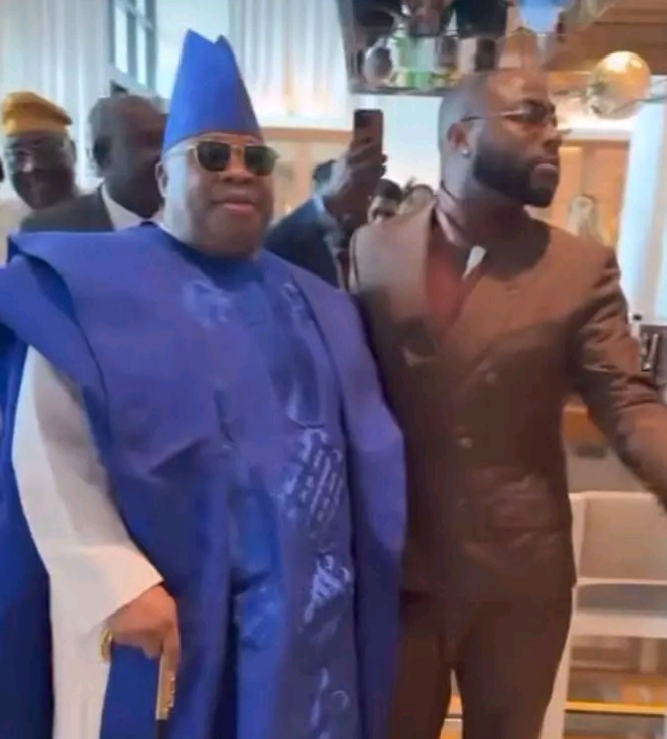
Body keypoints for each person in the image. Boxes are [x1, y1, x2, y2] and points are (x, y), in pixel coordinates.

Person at [0, 30, 405, 739]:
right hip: (163, 617)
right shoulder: (92, 287)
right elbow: (47, 451)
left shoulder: (316, 302)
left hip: (302, 627)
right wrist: (116, 581)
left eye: (255, 159)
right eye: (212, 156)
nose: (238, 172)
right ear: (164, 178)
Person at [350, 67, 667, 739]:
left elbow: (626, 400)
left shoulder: (578, 269)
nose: (552, 135)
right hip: (398, 570)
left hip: (518, 578)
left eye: (552, 119)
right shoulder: (373, 249)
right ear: (460, 137)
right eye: (529, 117)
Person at [20, 95, 165, 232]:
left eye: (167, 142)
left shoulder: (178, 224)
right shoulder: (47, 229)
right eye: (150, 142)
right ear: (102, 155)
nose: (165, 154)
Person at [266, 143, 385, 288]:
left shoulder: (376, 255)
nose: (351, 202)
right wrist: (331, 202)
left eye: (359, 193)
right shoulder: (290, 246)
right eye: (346, 191)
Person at [1, 91, 77, 212]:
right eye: (18, 155)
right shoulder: (4, 218)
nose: (32, 167)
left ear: (73, 151)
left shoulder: (104, 213)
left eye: (46, 151)